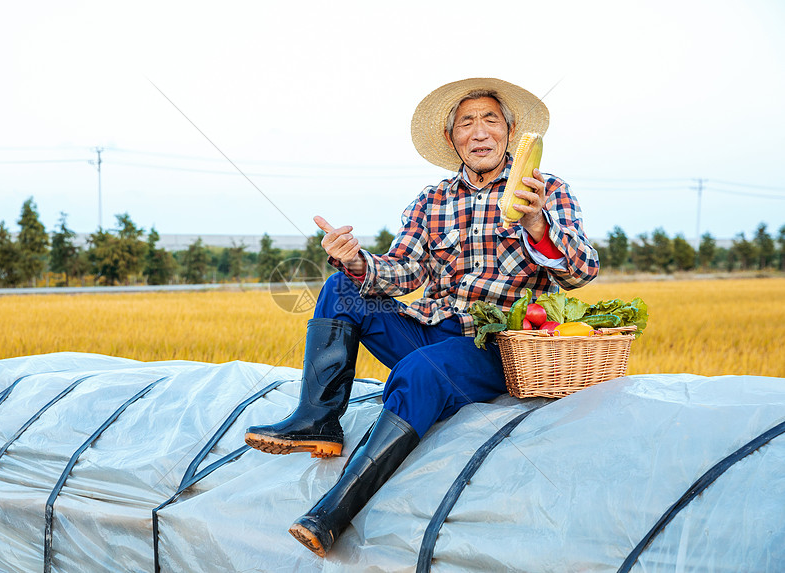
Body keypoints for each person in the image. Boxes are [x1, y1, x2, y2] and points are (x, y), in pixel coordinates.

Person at [244, 77, 599, 557]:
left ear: (510, 133)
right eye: (466, 123)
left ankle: (331, 513)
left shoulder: (546, 190)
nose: (479, 132)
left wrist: (538, 224)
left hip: (496, 348)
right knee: (342, 288)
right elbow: (401, 269)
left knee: (421, 371)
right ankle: (318, 420)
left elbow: (581, 271)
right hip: (433, 331)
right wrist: (355, 260)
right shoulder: (432, 201)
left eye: (490, 120)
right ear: (453, 140)